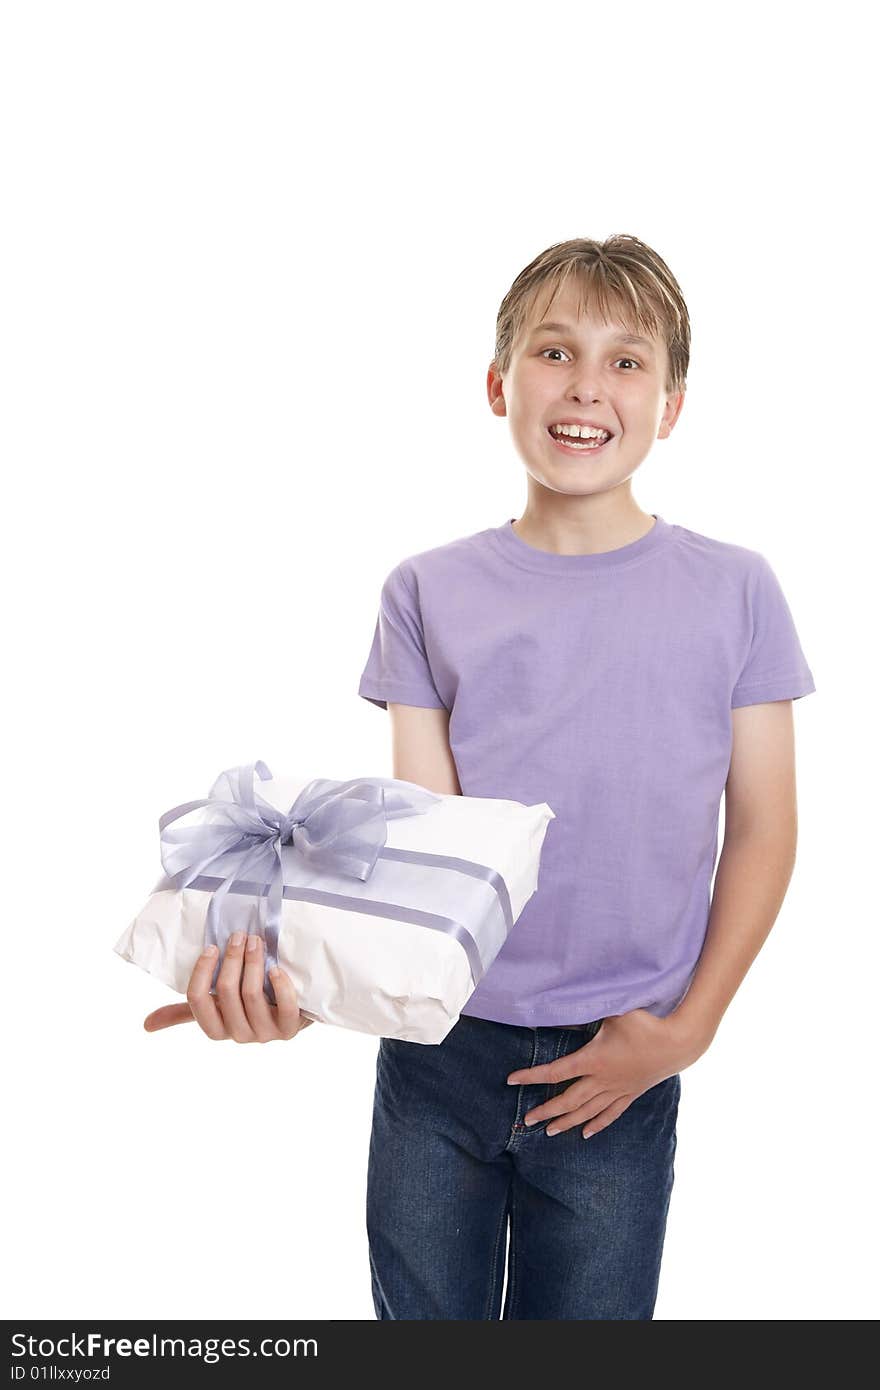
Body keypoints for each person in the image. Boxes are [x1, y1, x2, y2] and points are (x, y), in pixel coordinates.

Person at [145, 235, 816, 1320]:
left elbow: (765, 829)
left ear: (673, 404)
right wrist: (309, 987)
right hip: (438, 1052)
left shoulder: (735, 590)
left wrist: (687, 1027)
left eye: (625, 360)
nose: (587, 385)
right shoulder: (426, 590)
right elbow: (425, 845)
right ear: (500, 384)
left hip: (621, 1060)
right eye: (554, 352)